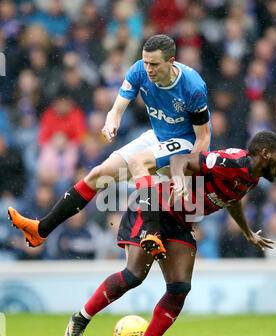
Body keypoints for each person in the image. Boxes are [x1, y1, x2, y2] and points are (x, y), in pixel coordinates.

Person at [64, 130, 276, 336]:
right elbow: (180, 160)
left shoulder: (252, 176)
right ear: (265, 153)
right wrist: (179, 182)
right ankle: (81, 318)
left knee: (179, 287)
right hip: (155, 207)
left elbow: (232, 199)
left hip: (181, 220)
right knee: (134, 275)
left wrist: (247, 232)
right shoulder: (231, 161)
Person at [8, 34, 211, 260]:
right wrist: (112, 119)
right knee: (98, 174)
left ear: (171, 62)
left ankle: (152, 232)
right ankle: (40, 230)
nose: (149, 69)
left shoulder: (193, 86)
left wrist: (185, 172)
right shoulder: (139, 71)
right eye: (146, 62)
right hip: (158, 135)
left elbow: (203, 137)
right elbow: (119, 105)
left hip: (185, 140)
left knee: (137, 161)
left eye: (154, 64)